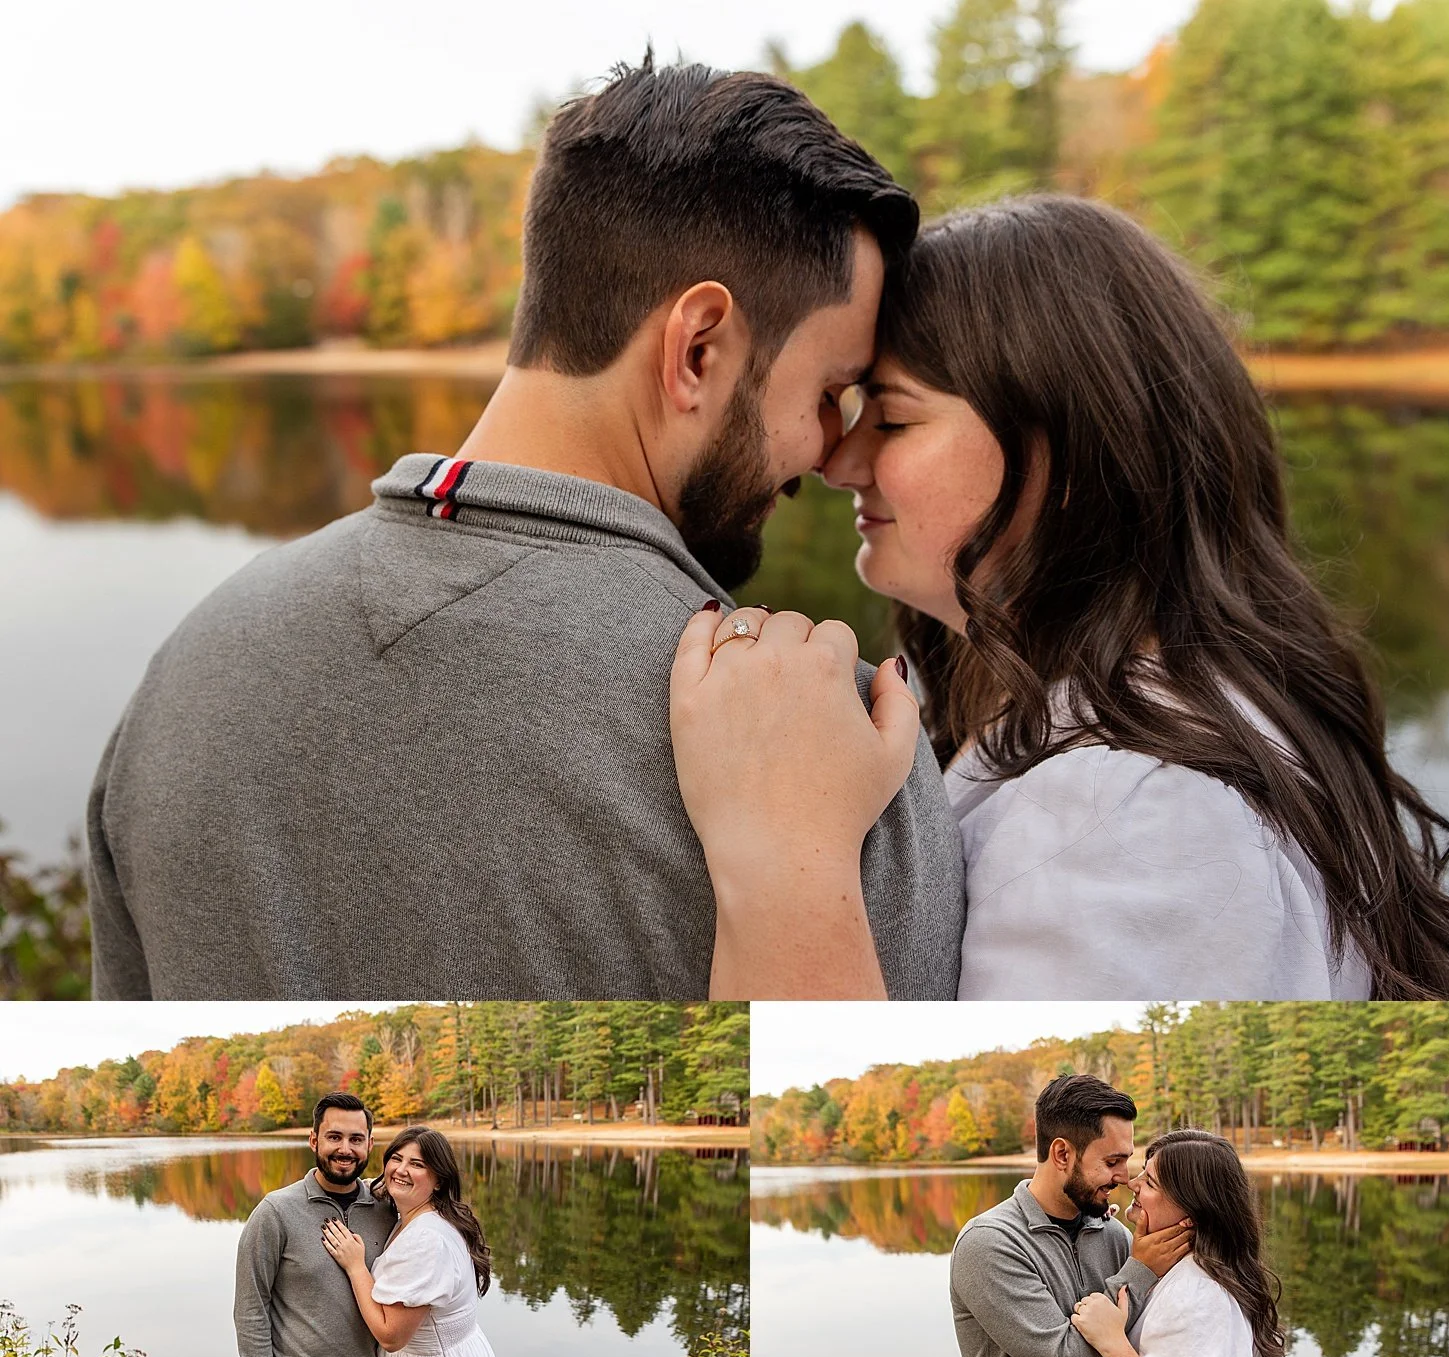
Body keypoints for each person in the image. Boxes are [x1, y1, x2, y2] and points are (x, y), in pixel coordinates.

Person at [85, 57, 966, 1001]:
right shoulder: (838, 760)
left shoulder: (185, 675)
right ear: (697, 350)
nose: (832, 453)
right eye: (829, 394)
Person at [670, 194, 1449, 1001]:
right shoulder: (1139, 737)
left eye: (891, 419)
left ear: (1067, 456)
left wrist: (786, 861)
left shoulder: (1140, 819)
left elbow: (1019, 1098)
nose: (837, 461)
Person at [949, 1075, 1194, 1357]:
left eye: (1127, 1160)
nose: (1123, 1176)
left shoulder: (1113, 1235)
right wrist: (1140, 1270)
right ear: (1062, 1152)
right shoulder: (990, 1243)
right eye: (1113, 1161)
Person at [1071, 1129, 1290, 1357]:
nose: (1133, 1183)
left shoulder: (1201, 1293)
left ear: (1192, 1210)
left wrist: (1112, 1344)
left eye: (1151, 1181)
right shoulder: (1186, 1265)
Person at [322, 1127, 503, 1357]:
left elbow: (391, 1336)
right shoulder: (424, 1216)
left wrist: (357, 1266)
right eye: (396, 1159)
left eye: (417, 1164)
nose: (401, 1170)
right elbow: (379, 1184)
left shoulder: (426, 1241)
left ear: (438, 1179)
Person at [234, 1093, 395, 1357]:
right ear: (313, 1140)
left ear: (369, 1145)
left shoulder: (383, 1209)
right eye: (334, 1137)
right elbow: (251, 1307)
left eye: (356, 1139)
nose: (345, 1149)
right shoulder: (276, 1212)